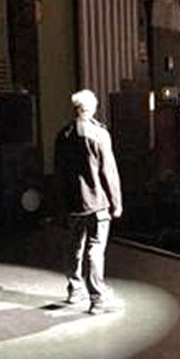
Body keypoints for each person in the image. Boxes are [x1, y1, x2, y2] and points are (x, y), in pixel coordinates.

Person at [54, 89, 124, 314]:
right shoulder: (99, 134)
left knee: (73, 246)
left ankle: (75, 290)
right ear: (92, 108)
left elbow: (59, 172)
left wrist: (62, 203)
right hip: (97, 203)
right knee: (95, 248)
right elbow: (108, 172)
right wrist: (117, 202)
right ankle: (98, 298)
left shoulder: (62, 135)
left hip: (73, 203)